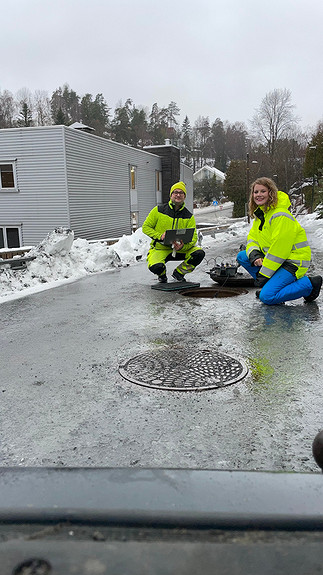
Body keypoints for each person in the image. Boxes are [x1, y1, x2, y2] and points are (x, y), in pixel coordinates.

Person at [236, 177, 322, 305]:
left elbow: (280, 250)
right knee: (243, 256)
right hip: (278, 260)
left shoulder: (280, 215)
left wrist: (264, 274)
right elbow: (252, 238)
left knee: (267, 297)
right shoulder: (261, 214)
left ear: (271, 193)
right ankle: (274, 288)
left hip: (293, 261)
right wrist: (255, 255)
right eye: (256, 192)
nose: (258, 195)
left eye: (263, 191)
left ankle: (309, 285)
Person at [142, 181, 205, 283]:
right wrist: (160, 236)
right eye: (175, 192)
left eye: (181, 193)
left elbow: (193, 238)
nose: (178, 195)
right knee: (156, 267)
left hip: (180, 249)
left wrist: (182, 247)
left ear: (184, 196)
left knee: (198, 253)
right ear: (171, 195)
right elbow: (146, 227)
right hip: (160, 249)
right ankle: (162, 275)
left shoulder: (189, 216)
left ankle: (179, 273)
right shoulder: (158, 210)